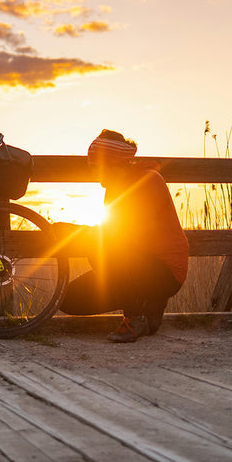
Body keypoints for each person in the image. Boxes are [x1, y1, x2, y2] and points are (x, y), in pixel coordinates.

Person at [54, 130, 189, 343]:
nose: (90, 168)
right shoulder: (114, 188)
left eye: (95, 164)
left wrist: (77, 232)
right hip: (134, 264)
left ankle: (136, 316)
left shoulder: (147, 181)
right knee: (66, 299)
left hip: (165, 271)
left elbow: (123, 235)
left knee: (100, 249)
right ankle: (147, 306)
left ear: (112, 163)